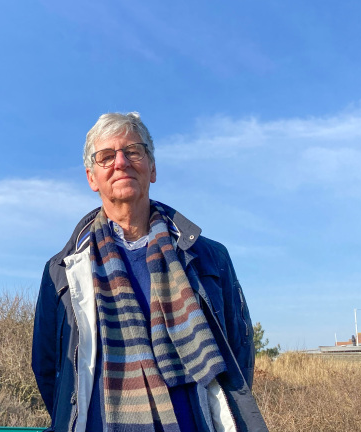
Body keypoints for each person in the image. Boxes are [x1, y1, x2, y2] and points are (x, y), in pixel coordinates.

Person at [32, 112, 267, 432]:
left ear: (152, 167)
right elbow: (50, 373)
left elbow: (238, 355)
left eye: (133, 151)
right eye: (106, 156)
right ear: (91, 177)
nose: (121, 162)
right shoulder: (61, 271)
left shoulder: (210, 257)